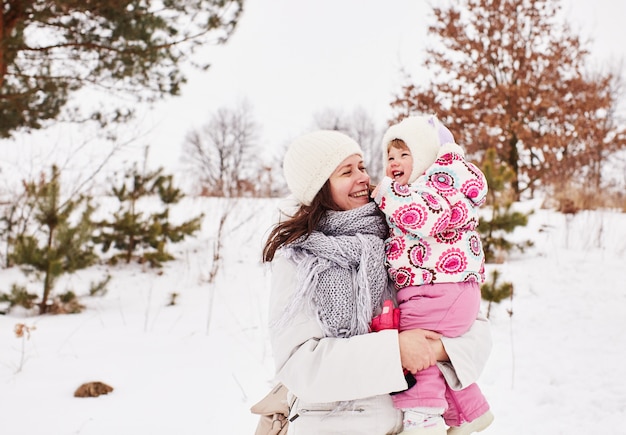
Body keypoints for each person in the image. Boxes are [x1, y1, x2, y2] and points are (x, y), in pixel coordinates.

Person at [261, 129, 492, 435]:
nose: (362, 177)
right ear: (319, 188)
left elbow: (476, 332)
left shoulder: (402, 234)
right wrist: (395, 350)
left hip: (417, 424)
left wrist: (437, 350)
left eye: (362, 167)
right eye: (346, 171)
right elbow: (299, 366)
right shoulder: (300, 257)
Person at [371, 115, 494, 434]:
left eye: (404, 154)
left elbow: (424, 218)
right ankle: (469, 411)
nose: (394, 163)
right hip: (440, 291)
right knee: (428, 352)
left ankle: (422, 423)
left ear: (424, 157)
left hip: (441, 290)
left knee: (414, 354)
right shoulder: (425, 188)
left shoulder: (436, 188)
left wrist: (386, 193)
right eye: (389, 156)